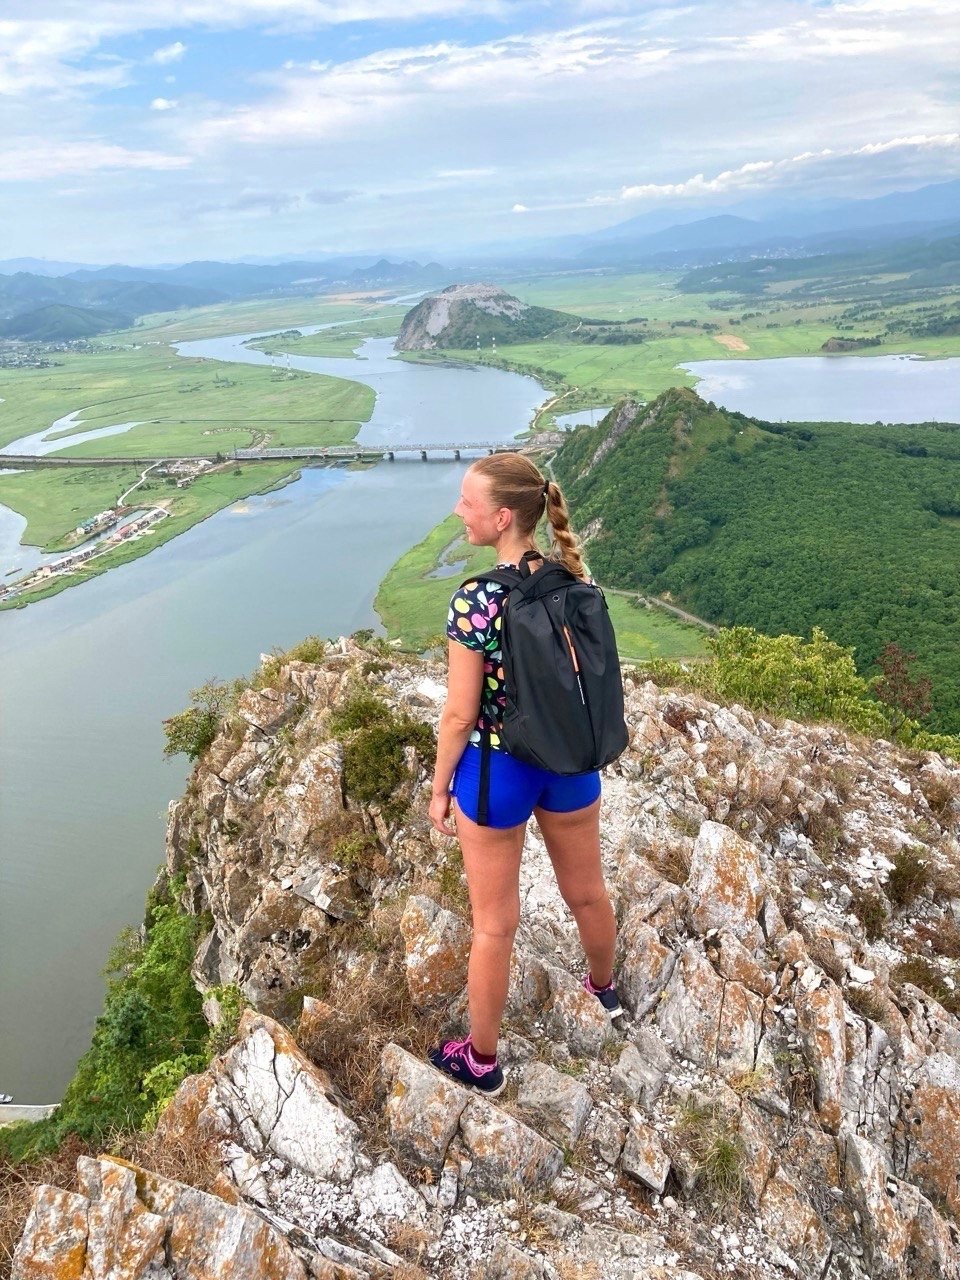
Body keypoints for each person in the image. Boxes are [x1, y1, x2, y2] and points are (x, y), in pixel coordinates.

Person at [426, 452, 621, 1097]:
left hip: (498, 771)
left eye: (468, 502)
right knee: (587, 892)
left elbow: (460, 714)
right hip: (568, 765)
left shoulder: (476, 600)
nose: (459, 511)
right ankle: (605, 990)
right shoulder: (574, 579)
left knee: (493, 925)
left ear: (503, 517)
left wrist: (439, 788)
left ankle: (481, 1061)